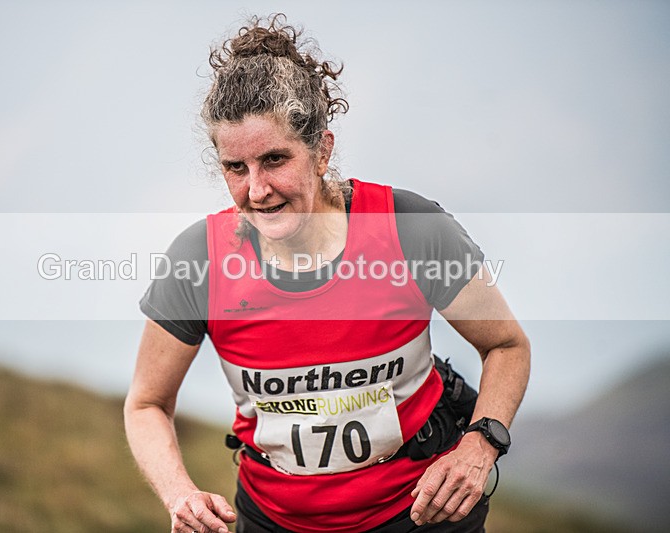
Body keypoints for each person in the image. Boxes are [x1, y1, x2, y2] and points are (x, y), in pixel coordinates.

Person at [124, 14, 530, 533]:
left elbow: (506, 346)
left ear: (322, 151)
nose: (257, 190)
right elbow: (147, 403)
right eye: (236, 168)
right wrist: (179, 495)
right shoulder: (198, 259)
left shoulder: (409, 228)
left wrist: (481, 445)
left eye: (275, 159)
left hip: (420, 513)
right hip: (273, 519)